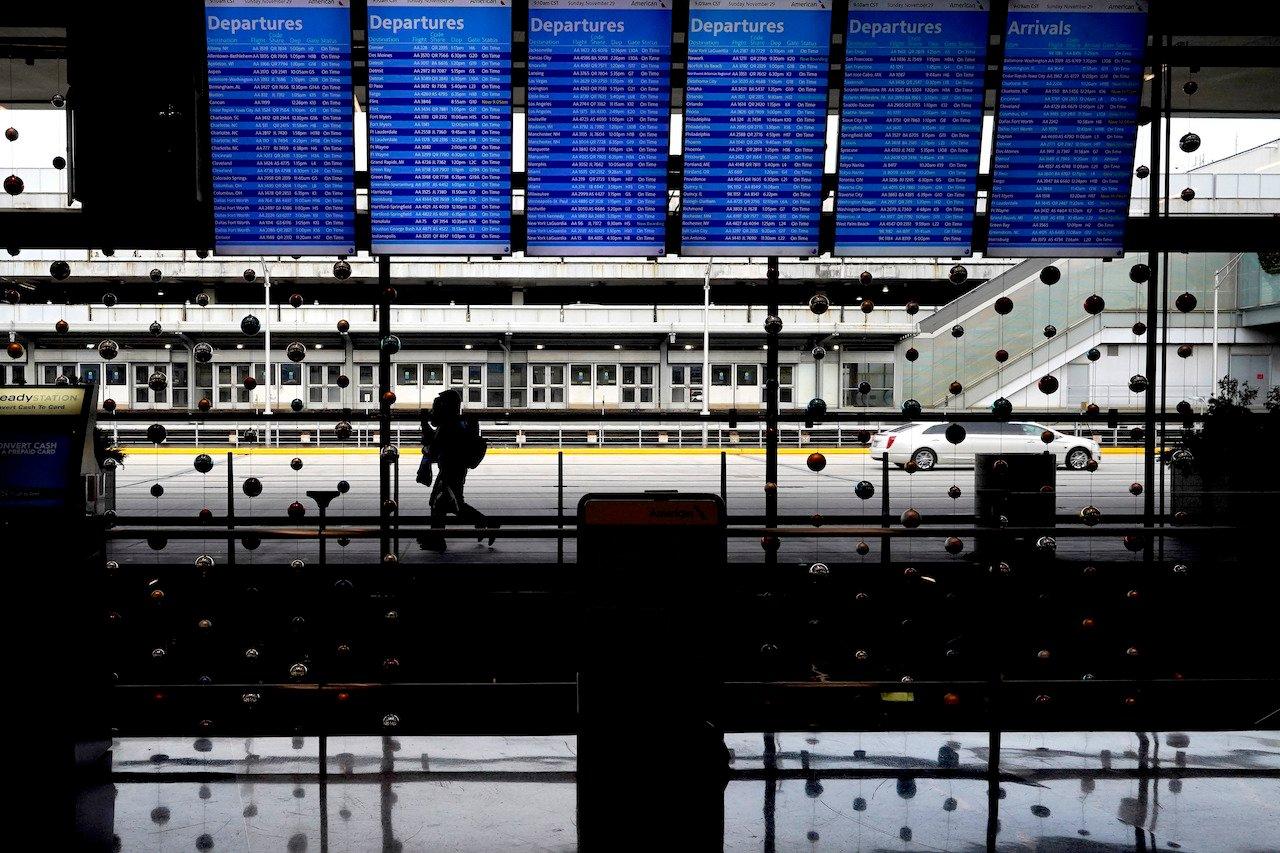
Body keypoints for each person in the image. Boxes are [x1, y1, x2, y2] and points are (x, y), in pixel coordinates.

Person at [416, 389, 495, 552]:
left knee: (447, 504)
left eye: (437, 407)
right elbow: (435, 441)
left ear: (446, 408)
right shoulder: (452, 423)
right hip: (452, 469)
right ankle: (439, 536)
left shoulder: (449, 426)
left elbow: (433, 447)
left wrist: (424, 424)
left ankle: (484, 523)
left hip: (451, 471)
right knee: (443, 504)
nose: (434, 411)